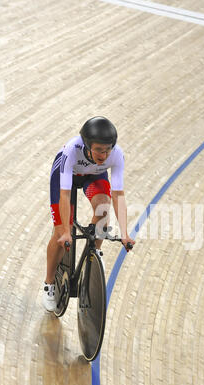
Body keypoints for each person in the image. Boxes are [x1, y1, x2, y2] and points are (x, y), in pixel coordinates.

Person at [43, 116, 135, 312]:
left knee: (104, 207)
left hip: (93, 176)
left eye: (107, 149)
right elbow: (65, 194)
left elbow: (118, 195)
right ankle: (49, 283)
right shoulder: (72, 150)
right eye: (99, 149)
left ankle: (92, 257)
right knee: (61, 234)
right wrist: (66, 231)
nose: (104, 154)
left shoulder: (117, 154)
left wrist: (125, 233)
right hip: (65, 178)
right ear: (86, 145)